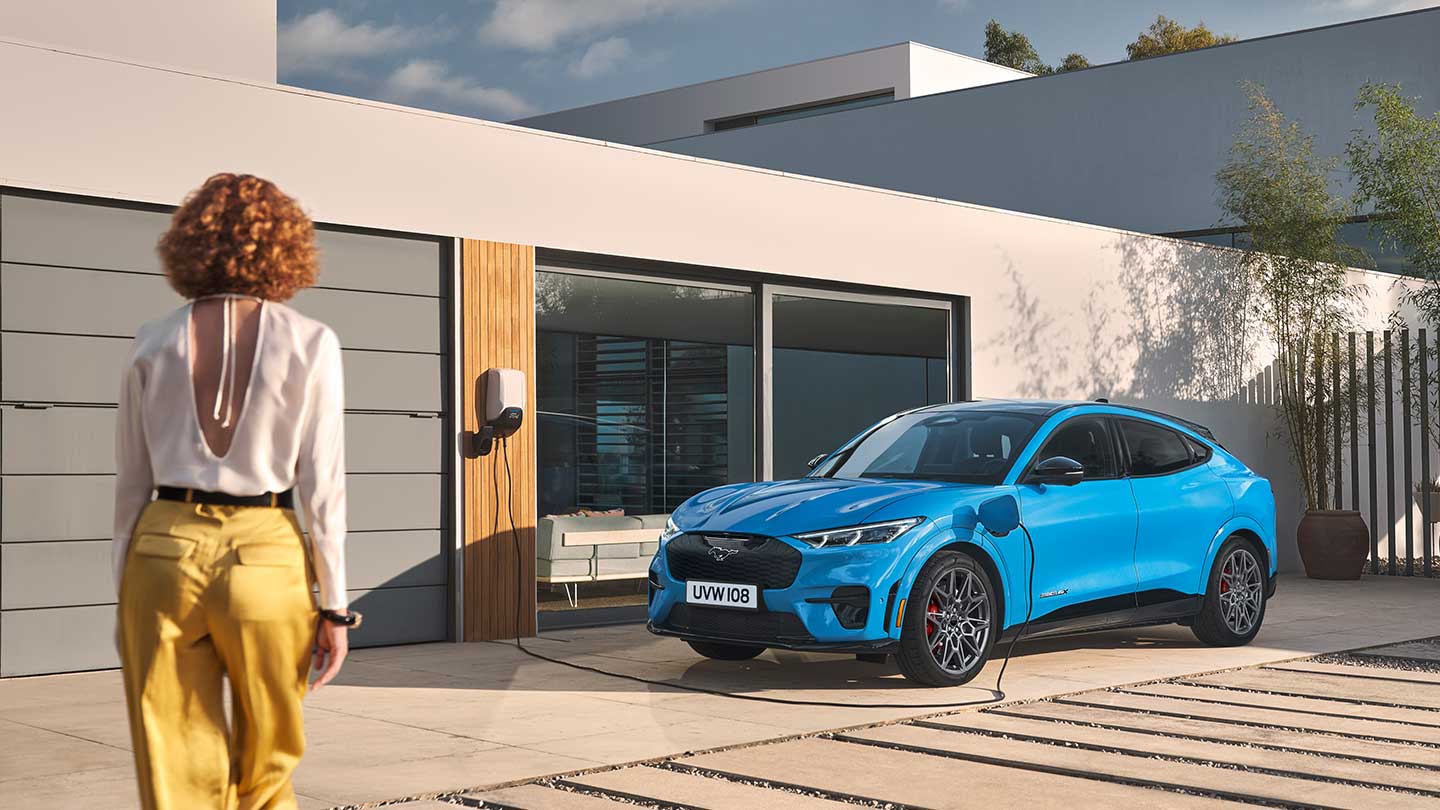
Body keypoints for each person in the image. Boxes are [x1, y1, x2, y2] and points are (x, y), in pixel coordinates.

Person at [113, 173, 358, 810]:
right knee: (270, 756)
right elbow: (322, 488)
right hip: (266, 553)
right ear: (287, 247)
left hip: (164, 550)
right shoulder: (311, 341)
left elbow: (131, 485)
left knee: (173, 754)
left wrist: (125, 596)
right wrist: (334, 606)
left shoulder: (152, 340)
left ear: (187, 244)